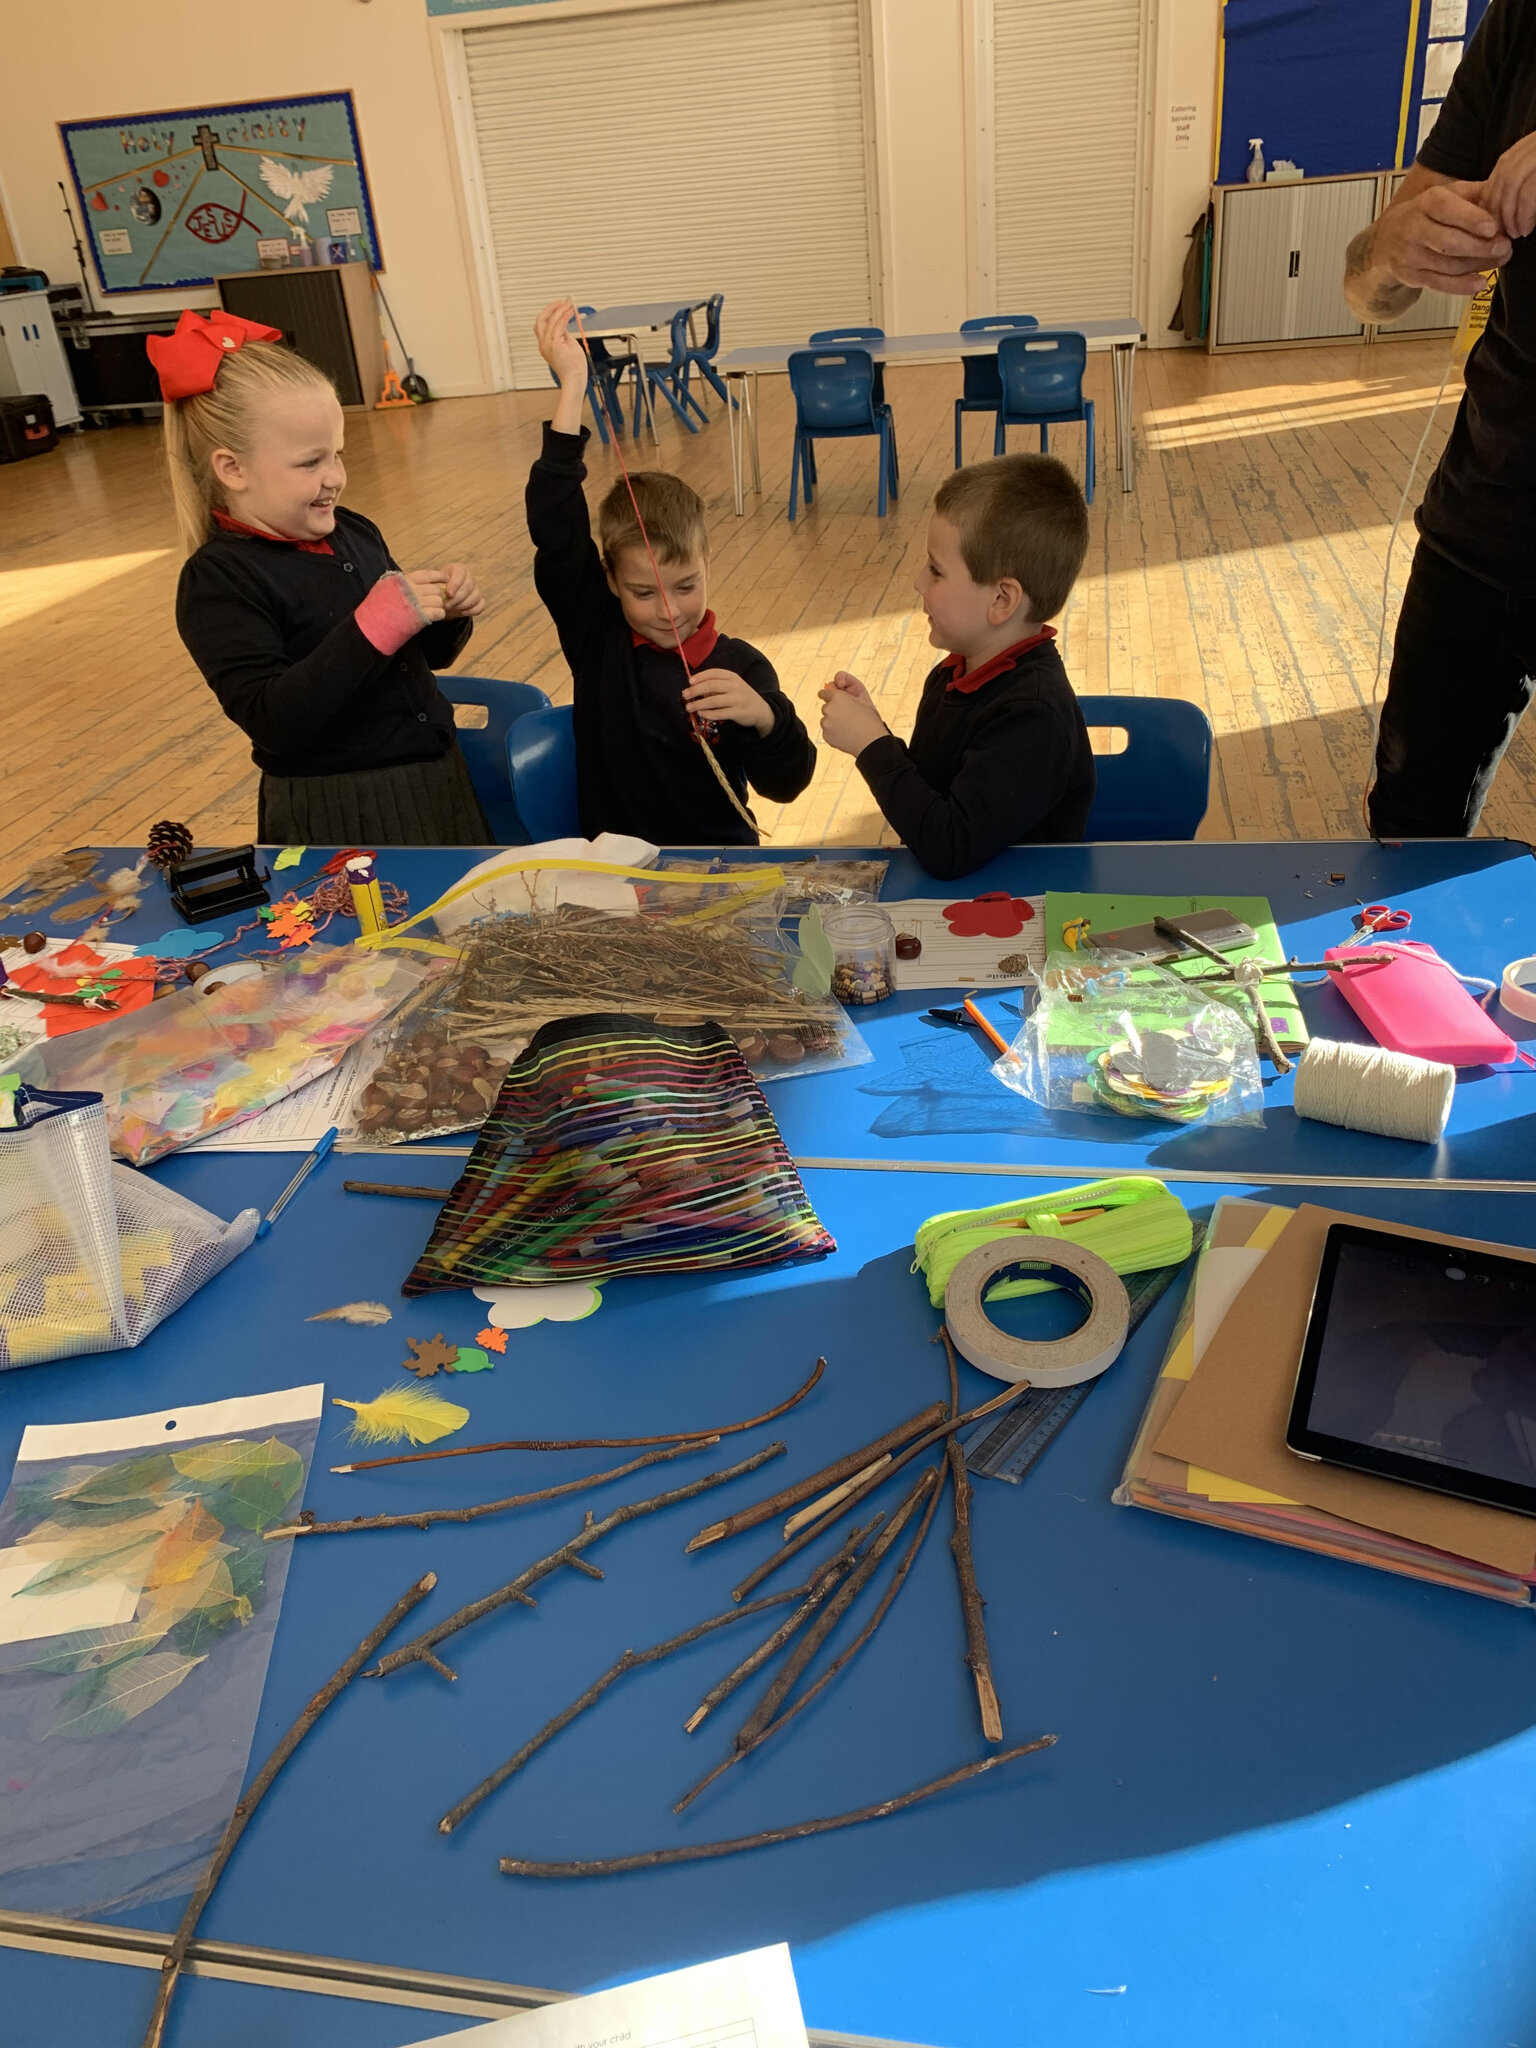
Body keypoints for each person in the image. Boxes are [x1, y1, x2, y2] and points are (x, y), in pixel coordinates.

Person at [149, 309, 490, 847]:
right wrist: (373, 624)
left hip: (434, 783)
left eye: (338, 454)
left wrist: (445, 615)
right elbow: (275, 722)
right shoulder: (219, 579)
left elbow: (416, 659)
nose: (334, 477)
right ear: (232, 469)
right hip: (341, 810)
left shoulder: (353, 530)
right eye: (310, 463)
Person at [1341, 0, 1536, 837]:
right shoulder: (1518, 24)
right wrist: (1391, 250)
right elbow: (1366, 286)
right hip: (1483, 522)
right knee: (1408, 833)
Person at [528, 298, 816, 845]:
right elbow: (556, 529)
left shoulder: (741, 666)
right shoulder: (598, 636)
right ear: (610, 581)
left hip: (722, 874)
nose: (669, 609)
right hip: (621, 881)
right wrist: (572, 389)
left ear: (707, 564)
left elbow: (787, 783)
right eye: (642, 591)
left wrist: (765, 717)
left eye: (686, 585)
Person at [817, 454, 1094, 879]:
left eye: (935, 570)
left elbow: (949, 846)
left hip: (1025, 918)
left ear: (1001, 600)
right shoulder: (953, 675)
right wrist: (877, 730)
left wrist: (872, 747)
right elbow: (932, 799)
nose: (917, 582)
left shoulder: (1033, 716)